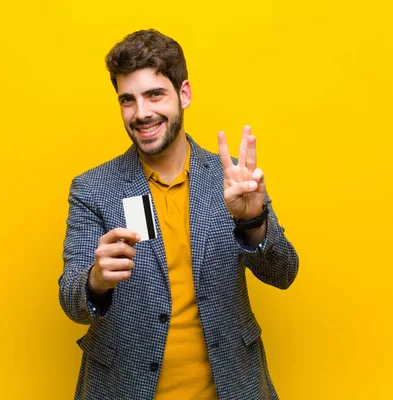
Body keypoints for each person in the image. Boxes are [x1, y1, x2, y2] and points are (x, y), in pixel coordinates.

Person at [59, 29, 299, 400]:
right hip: (124, 389)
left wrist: (252, 222)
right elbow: (72, 301)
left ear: (183, 94)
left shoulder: (233, 178)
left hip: (233, 387)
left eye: (154, 94)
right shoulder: (93, 189)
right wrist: (95, 280)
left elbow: (284, 274)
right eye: (128, 100)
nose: (142, 113)